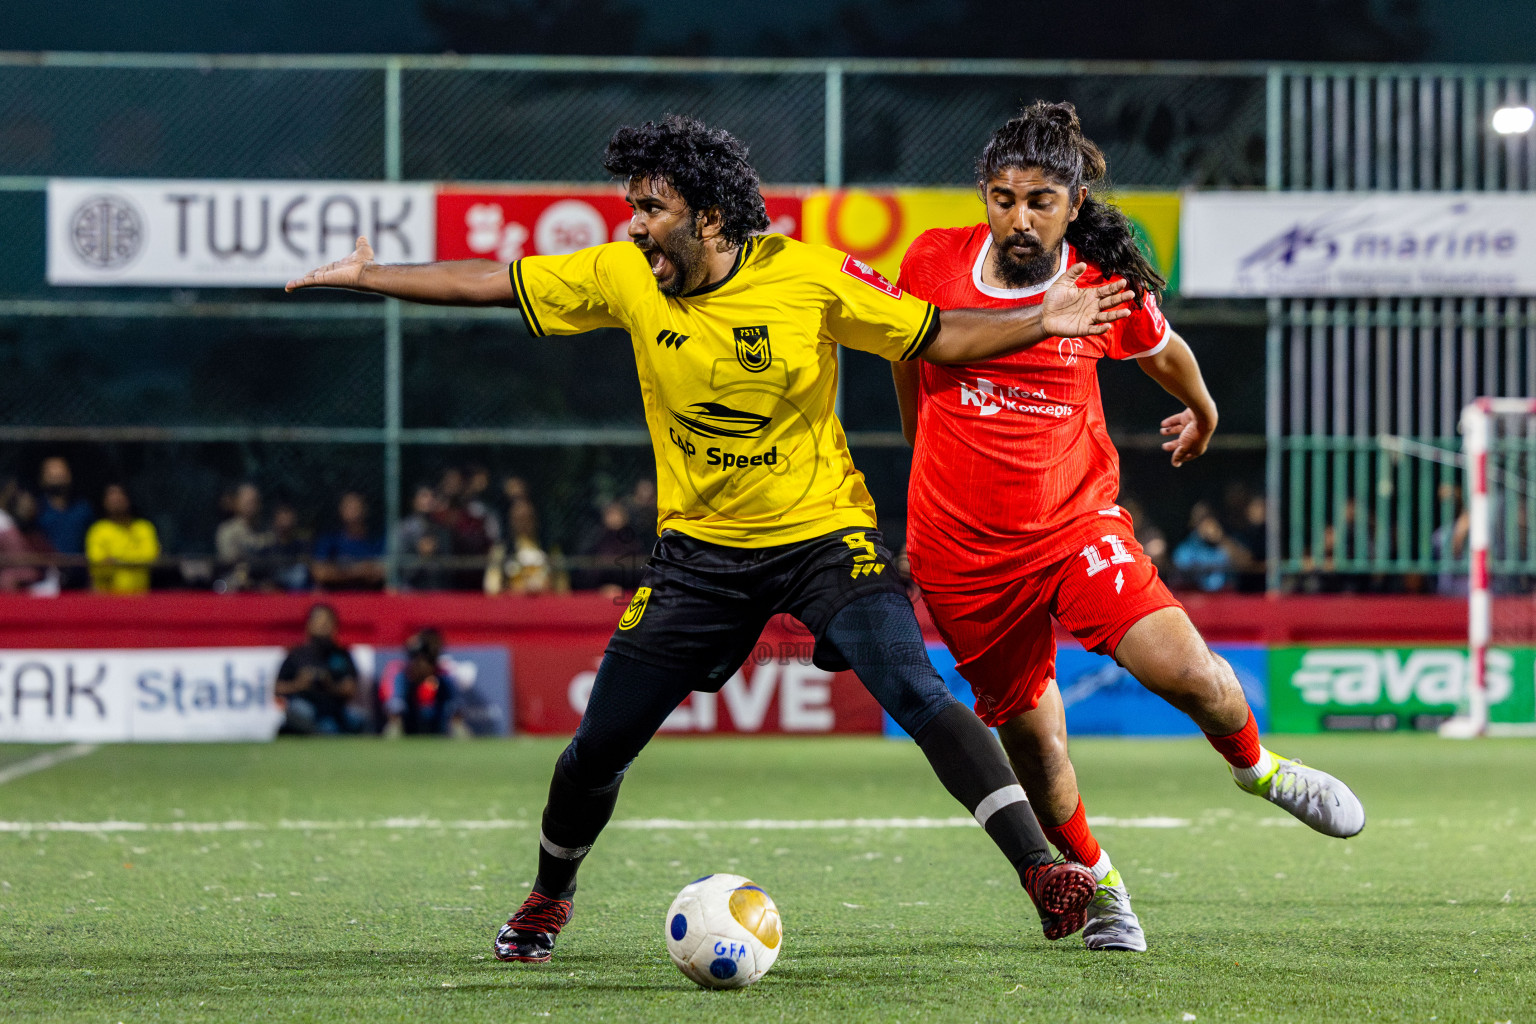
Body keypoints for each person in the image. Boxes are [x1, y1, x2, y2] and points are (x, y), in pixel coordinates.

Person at [287, 114, 1135, 963]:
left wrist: (1038, 320)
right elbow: (490, 283)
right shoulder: (623, 274)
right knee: (597, 749)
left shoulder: (808, 274)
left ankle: (1042, 873)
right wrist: (371, 276)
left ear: (713, 220)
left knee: (919, 691)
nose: (636, 224)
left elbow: (936, 333)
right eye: (633, 206)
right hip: (697, 556)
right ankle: (549, 896)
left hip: (825, 538)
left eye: (652, 208)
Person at [891, 102, 1366, 953]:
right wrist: (918, 459)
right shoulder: (932, 260)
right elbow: (908, 352)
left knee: (1193, 676)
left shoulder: (1103, 283)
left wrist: (1202, 406)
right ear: (983, 196)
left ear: (1073, 202)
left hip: (1075, 527)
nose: (1019, 218)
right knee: (1036, 751)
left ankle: (1261, 770)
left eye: (1039, 200)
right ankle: (1105, 889)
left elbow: (1163, 348)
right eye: (1002, 198)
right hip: (960, 558)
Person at [275, 603, 367, 734]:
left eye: (328, 622)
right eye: (319, 621)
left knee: (359, 719)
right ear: (310, 625)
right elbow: (277, 688)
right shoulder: (296, 654)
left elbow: (351, 688)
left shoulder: (342, 654)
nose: (324, 626)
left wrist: (330, 685)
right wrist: (299, 684)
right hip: (304, 705)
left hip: (332, 708)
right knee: (299, 712)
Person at [84, 483, 159, 594]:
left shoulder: (144, 528)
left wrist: (116, 560)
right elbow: (98, 567)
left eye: (119, 498)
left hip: (139, 598)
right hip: (107, 600)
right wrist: (134, 559)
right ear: (104, 502)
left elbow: (150, 557)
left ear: (128, 499)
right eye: (112, 500)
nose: (116, 502)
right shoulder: (97, 530)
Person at [36, 456, 93, 589]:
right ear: (42, 479)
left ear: (69, 476)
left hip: (79, 581)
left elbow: (92, 545)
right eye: (51, 473)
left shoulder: (83, 509)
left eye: (61, 472)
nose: (57, 476)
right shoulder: (36, 510)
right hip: (46, 582)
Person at [311, 491, 386, 591]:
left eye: (356, 506)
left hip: (370, 599)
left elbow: (385, 571)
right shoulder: (330, 540)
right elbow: (319, 572)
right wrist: (357, 571)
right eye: (348, 506)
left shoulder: (377, 541)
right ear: (340, 510)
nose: (352, 510)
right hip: (338, 599)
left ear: (365, 509)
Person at [215, 482, 273, 592]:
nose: (251, 506)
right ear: (237, 503)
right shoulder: (226, 531)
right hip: (234, 585)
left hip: (264, 585)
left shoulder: (268, 533)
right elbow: (229, 560)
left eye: (254, 502)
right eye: (247, 502)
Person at [1172, 502, 1242, 592]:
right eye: (1201, 521)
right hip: (1196, 596)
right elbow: (1180, 569)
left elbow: (1243, 563)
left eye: (1209, 520)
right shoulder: (1186, 548)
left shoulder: (1225, 544)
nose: (1208, 526)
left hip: (1225, 595)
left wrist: (1222, 540)